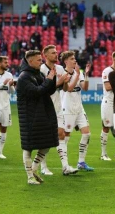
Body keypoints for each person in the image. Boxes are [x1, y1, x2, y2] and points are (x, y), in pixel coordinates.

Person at [16, 50, 59, 185]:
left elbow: (48, 90)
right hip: (29, 116)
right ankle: (30, 177)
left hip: (41, 114)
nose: (41, 62)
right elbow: (37, 92)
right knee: (28, 147)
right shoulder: (23, 77)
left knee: (47, 143)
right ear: (30, 61)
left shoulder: (37, 74)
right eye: (39, 60)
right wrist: (49, 79)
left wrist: (53, 78)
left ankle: (34, 168)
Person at [39, 45, 78, 176]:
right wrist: (59, 81)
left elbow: (65, 89)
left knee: (61, 134)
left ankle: (65, 166)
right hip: (45, 107)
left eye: (56, 52)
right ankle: (43, 167)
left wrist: (65, 82)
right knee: (46, 138)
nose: (56, 55)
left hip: (58, 107)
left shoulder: (60, 68)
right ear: (45, 55)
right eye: (53, 53)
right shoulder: (42, 70)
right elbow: (43, 89)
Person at [60, 51, 94, 171]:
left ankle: (81, 162)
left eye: (75, 59)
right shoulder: (62, 73)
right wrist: (77, 75)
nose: (75, 60)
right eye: (72, 59)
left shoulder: (77, 73)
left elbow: (85, 88)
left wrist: (86, 74)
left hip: (79, 108)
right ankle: (65, 164)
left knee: (87, 133)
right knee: (66, 137)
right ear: (66, 61)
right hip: (67, 108)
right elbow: (69, 89)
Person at [100, 51, 115, 161]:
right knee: (106, 127)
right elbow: (107, 87)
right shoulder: (107, 71)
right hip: (109, 103)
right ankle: (103, 154)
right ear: (114, 59)